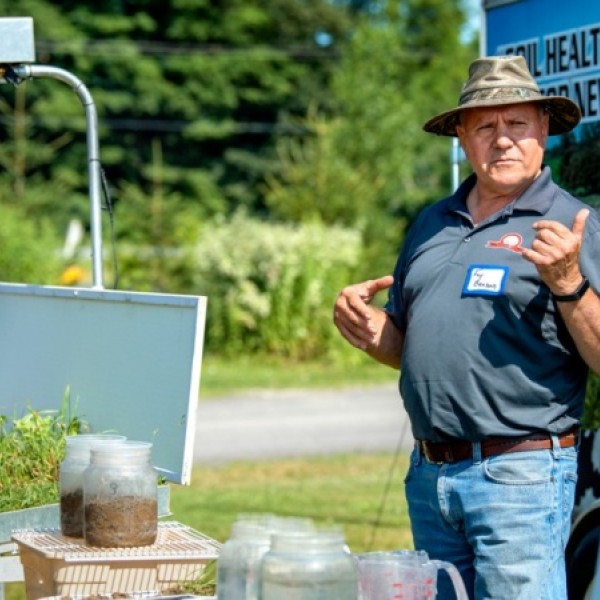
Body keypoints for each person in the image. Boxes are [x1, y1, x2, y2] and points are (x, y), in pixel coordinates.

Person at [333, 55, 600, 599]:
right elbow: (412, 346)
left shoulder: (575, 225)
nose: (502, 140)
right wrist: (370, 328)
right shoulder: (432, 222)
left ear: (543, 128)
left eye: (517, 123)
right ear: (461, 135)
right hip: (432, 478)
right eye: (485, 126)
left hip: (521, 479)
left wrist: (569, 282)